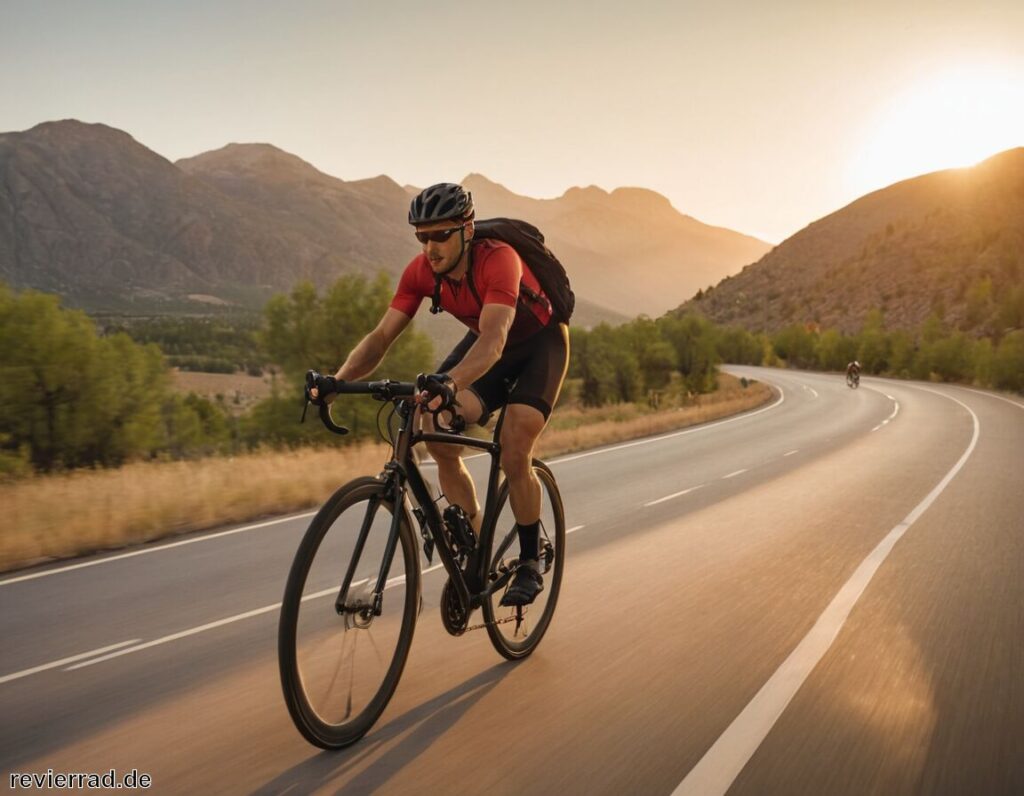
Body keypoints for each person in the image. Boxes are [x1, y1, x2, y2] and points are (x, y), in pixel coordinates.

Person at [317, 183, 569, 606]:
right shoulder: (420, 272)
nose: (430, 247)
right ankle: (476, 539)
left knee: (514, 445)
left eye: (440, 235)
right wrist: (337, 381)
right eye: (422, 236)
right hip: (487, 349)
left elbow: (493, 339)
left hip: (538, 344)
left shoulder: (499, 259)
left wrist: (452, 382)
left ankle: (529, 559)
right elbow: (380, 338)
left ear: (467, 229)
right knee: (432, 422)